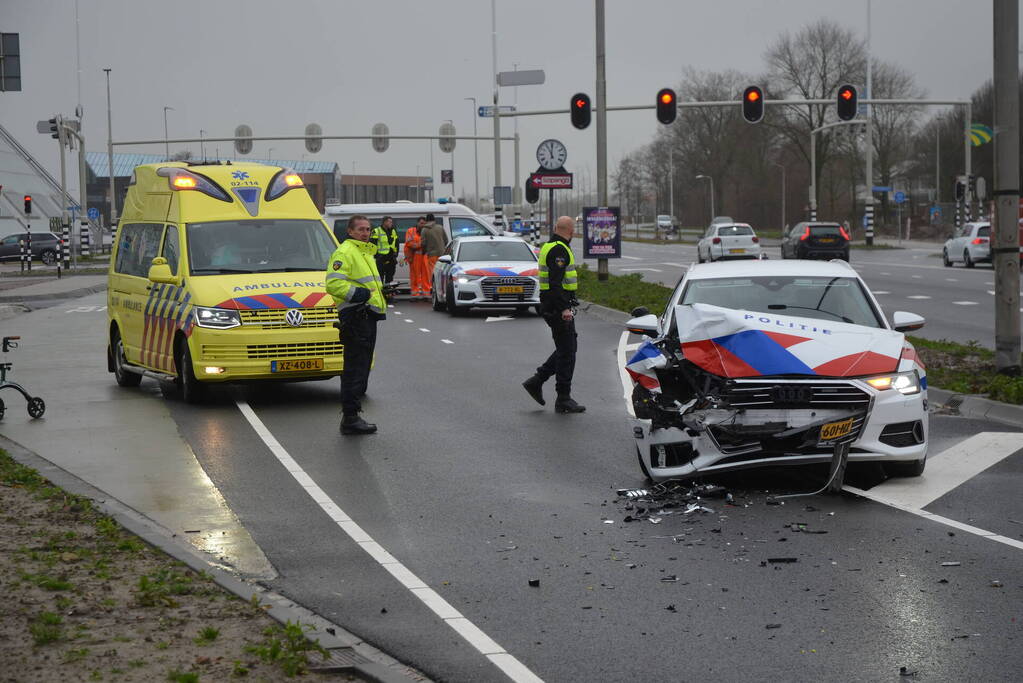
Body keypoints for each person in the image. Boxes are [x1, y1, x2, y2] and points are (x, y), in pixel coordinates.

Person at [326, 215, 387, 435]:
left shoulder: (364, 252)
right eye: (360, 229)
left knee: (361, 367)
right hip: (356, 316)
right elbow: (333, 283)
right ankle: (350, 418)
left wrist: (382, 292)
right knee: (354, 368)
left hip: (367, 315)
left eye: (368, 229)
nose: (365, 233)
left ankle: (352, 416)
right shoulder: (345, 252)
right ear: (350, 231)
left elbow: (367, 284)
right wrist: (360, 294)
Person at [522, 215, 585, 413]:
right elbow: (556, 283)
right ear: (571, 231)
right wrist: (564, 308)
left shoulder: (550, 245)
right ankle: (563, 398)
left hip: (552, 305)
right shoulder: (559, 249)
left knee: (567, 348)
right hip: (557, 308)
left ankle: (537, 381)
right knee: (567, 352)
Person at [419, 212, 445, 295]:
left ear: (426, 220)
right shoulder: (440, 228)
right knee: (442, 273)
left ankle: (435, 292)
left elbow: (423, 243)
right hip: (442, 255)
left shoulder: (424, 229)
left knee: (433, 274)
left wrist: (424, 252)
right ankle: (442, 291)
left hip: (431, 255)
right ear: (434, 219)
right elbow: (446, 240)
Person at [372, 216, 399, 291]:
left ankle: (389, 296)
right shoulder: (376, 231)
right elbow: (372, 244)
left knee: (390, 278)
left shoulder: (393, 231)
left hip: (391, 258)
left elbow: (396, 242)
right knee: (380, 278)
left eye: (391, 222)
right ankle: (381, 295)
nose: (391, 223)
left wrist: (395, 254)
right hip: (381, 258)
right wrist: (377, 255)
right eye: (389, 222)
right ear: (384, 222)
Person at [404, 217, 426, 298]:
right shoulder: (411, 231)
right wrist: (420, 245)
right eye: (421, 223)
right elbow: (409, 243)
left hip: (424, 257)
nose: (422, 225)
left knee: (425, 277)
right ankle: (415, 294)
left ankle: (425, 294)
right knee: (414, 277)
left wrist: (418, 245)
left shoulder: (426, 231)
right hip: (414, 257)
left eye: (424, 223)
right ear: (417, 223)